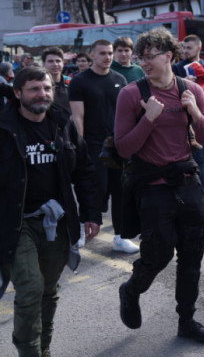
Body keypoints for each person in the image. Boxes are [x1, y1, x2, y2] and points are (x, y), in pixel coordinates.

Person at [114, 28, 204, 343]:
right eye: (140, 57)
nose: (143, 62)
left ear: (169, 56)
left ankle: (187, 321)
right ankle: (131, 290)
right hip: (152, 185)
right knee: (157, 255)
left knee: (192, 254)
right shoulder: (132, 94)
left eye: (150, 56)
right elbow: (123, 148)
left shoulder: (191, 90)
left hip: (187, 180)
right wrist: (149, 119)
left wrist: (196, 112)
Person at [0, 66, 101, 357]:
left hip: (56, 221)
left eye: (46, 88)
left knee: (48, 289)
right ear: (18, 93)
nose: (42, 94)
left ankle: (44, 347)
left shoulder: (62, 122)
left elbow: (84, 171)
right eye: (33, 89)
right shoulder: (4, 127)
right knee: (30, 288)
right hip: (16, 223)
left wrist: (92, 214)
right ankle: (29, 352)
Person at [68, 40, 138, 253]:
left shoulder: (120, 78)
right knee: (94, 191)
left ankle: (120, 236)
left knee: (121, 192)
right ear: (92, 55)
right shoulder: (79, 81)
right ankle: (81, 228)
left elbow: (126, 113)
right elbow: (77, 117)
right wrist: (80, 147)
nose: (108, 57)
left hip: (117, 146)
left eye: (110, 53)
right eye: (103, 53)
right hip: (92, 145)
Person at [41, 47, 71, 114]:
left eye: (58, 61)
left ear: (63, 63)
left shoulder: (72, 84)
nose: (55, 64)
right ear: (43, 63)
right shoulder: (38, 85)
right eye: (50, 61)